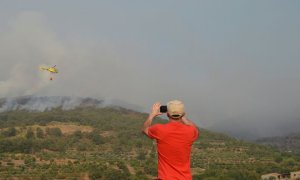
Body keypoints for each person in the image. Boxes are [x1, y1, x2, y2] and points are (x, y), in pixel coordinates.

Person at [142, 100, 199, 180]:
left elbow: (145, 129)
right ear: (183, 114)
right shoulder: (190, 131)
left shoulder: (160, 129)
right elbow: (195, 129)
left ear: (167, 114)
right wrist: (182, 117)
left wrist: (152, 115)